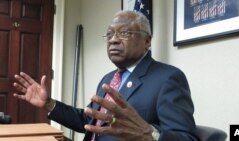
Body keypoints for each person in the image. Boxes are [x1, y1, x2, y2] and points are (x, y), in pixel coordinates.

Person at [13, 10, 198, 141]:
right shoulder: (109, 79)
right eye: (109, 34)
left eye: (124, 32)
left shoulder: (168, 78)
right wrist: (49, 104)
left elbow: (187, 138)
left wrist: (150, 135)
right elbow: (88, 121)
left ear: (147, 41)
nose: (113, 40)